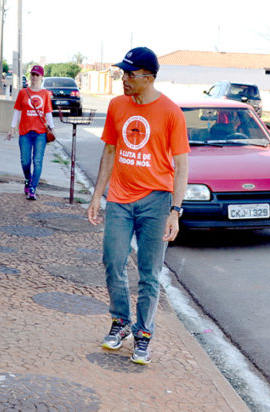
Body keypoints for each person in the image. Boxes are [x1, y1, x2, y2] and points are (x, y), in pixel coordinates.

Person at [86, 47, 190, 365]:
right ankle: (121, 322)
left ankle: (143, 334)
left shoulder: (171, 112)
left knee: (149, 273)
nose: (124, 79)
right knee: (113, 261)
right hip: (119, 197)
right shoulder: (117, 106)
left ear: (148, 77)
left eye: (130, 75)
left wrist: (176, 210)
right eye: (123, 73)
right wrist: (96, 195)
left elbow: (182, 165)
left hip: (156, 202)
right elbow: (109, 153)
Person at [5, 65, 55, 200]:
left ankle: (33, 188)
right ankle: (27, 179)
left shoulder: (45, 94)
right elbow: (17, 110)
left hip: (40, 133)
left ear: (41, 77)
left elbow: (48, 112)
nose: (34, 77)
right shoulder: (23, 92)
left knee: (38, 161)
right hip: (25, 132)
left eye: (37, 75)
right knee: (25, 161)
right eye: (33, 74)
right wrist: (12, 127)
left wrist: (52, 128)